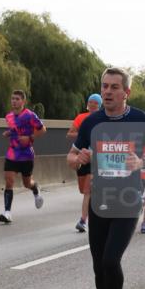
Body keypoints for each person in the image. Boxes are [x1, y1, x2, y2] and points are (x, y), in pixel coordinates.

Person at [67, 67, 145, 289]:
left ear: (126, 92)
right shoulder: (91, 122)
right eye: (104, 86)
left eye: (113, 87)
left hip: (128, 199)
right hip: (101, 199)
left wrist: (141, 162)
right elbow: (71, 157)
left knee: (111, 260)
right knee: (99, 267)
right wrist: (80, 158)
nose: (108, 92)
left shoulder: (140, 120)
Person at [0, 91, 46, 224]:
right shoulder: (8, 116)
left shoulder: (30, 115)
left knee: (27, 183)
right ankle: (7, 213)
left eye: (17, 99)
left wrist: (30, 137)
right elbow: (15, 129)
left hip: (26, 155)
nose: (14, 101)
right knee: (9, 182)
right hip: (12, 153)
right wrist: (9, 133)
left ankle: (35, 188)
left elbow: (42, 129)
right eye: (12, 98)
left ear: (23, 101)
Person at [67, 94, 102, 233]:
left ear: (99, 105)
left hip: (98, 158)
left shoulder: (103, 118)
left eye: (95, 102)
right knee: (84, 190)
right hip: (82, 157)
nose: (92, 104)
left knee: (88, 190)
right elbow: (70, 134)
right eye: (90, 102)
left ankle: (83, 220)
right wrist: (83, 133)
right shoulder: (81, 118)